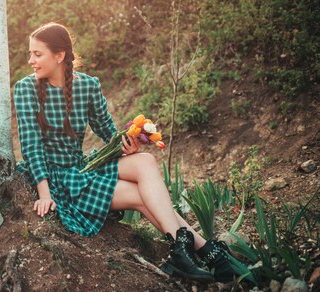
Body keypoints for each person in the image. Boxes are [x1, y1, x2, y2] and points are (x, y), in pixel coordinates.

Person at [13, 22, 241, 283]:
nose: (31, 60)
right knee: (140, 196)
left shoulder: (87, 86)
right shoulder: (26, 89)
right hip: (57, 179)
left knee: (144, 160)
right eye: (30, 53)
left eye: (37, 54)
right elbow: (30, 146)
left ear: (60, 55)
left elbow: (108, 131)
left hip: (81, 167)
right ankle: (207, 250)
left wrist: (125, 144)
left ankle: (184, 251)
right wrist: (45, 194)